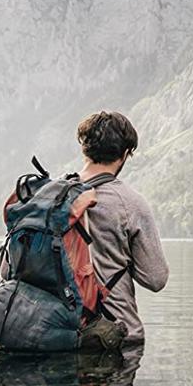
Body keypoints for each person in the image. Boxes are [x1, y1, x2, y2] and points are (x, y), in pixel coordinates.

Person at [77, 111, 169, 344]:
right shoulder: (131, 203)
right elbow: (156, 279)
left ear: (84, 149)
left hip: (56, 333)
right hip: (114, 337)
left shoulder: (49, 196)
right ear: (125, 154)